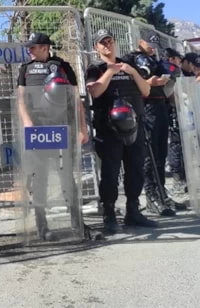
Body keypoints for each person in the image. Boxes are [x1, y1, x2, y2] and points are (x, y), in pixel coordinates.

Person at [16, 32, 90, 241]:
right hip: (38, 130)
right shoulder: (25, 69)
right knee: (40, 180)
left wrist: (82, 127)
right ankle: (43, 227)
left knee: (68, 178)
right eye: (29, 47)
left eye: (33, 47)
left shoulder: (63, 67)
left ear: (45, 47)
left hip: (62, 127)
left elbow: (76, 100)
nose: (29, 50)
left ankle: (77, 224)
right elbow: (21, 99)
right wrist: (27, 123)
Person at [85, 29, 156, 234]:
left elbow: (146, 90)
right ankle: (109, 213)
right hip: (109, 129)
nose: (107, 45)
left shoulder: (129, 65)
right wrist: (111, 71)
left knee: (135, 169)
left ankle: (132, 211)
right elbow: (95, 91)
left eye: (110, 41)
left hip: (135, 125)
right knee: (110, 172)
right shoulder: (95, 68)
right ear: (96, 47)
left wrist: (131, 71)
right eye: (102, 43)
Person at [124, 38, 176, 217]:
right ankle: (151, 195)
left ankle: (162, 192)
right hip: (147, 106)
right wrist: (149, 82)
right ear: (139, 41)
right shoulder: (131, 59)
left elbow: (168, 76)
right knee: (150, 154)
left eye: (154, 43)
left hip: (160, 105)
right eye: (148, 42)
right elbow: (136, 81)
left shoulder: (155, 59)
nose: (152, 46)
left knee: (161, 153)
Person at [165, 48, 189, 194]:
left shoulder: (175, 71)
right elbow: (169, 92)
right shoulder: (169, 70)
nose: (179, 62)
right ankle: (178, 179)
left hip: (175, 110)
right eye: (178, 59)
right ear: (171, 59)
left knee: (180, 144)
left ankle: (182, 177)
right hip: (170, 110)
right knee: (176, 146)